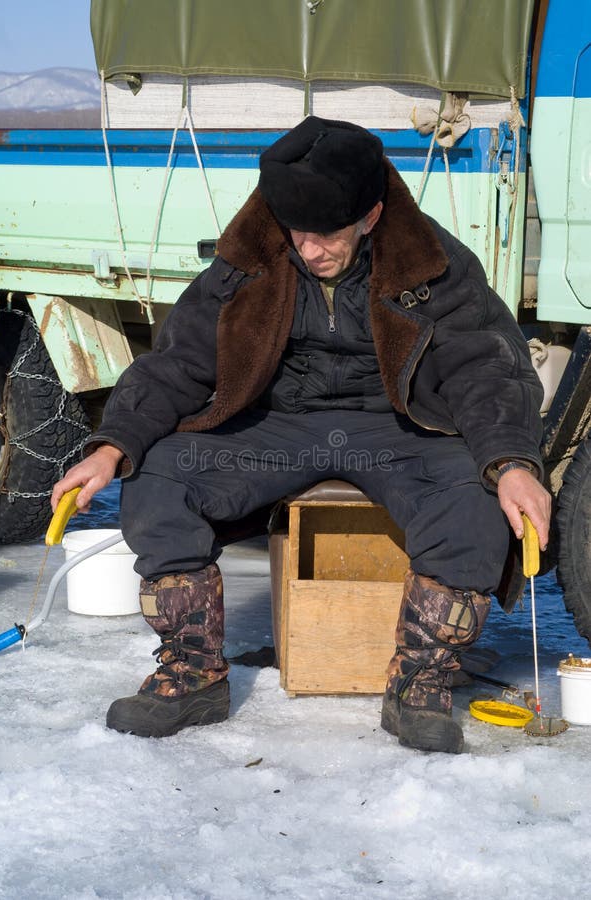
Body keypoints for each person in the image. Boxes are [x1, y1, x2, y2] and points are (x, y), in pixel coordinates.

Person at [52, 116, 551, 754]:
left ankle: (421, 680)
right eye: (298, 232)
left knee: (476, 498)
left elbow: (486, 371)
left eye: (327, 234)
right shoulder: (251, 258)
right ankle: (193, 671)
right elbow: (176, 362)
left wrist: (511, 462)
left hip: (397, 427)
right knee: (158, 476)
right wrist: (110, 445)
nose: (309, 249)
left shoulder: (434, 263)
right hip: (278, 424)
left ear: (370, 216)